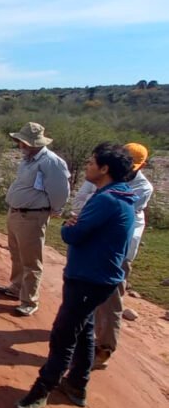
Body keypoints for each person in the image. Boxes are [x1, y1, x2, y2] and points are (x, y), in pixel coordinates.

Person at [14, 143, 136, 408]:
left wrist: (70, 227)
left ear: (105, 169)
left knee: (63, 336)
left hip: (88, 278)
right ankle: (77, 386)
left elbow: (73, 235)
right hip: (100, 279)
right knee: (84, 331)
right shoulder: (123, 195)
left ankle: (40, 392)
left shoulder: (106, 199)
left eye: (93, 163)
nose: (89, 166)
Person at [71, 143, 154, 369]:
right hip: (92, 243)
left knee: (111, 299)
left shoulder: (142, 187)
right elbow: (80, 202)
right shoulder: (99, 175)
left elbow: (111, 211)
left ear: (141, 166)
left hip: (119, 251)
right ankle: (85, 337)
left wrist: (88, 213)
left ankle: (104, 347)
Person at [0, 122, 70, 316]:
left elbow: (61, 190)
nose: (20, 145)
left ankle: (29, 301)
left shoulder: (51, 162)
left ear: (34, 143)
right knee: (16, 253)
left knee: (31, 260)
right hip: (17, 213)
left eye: (23, 142)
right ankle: (16, 287)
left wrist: (55, 210)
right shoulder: (29, 159)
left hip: (32, 216)